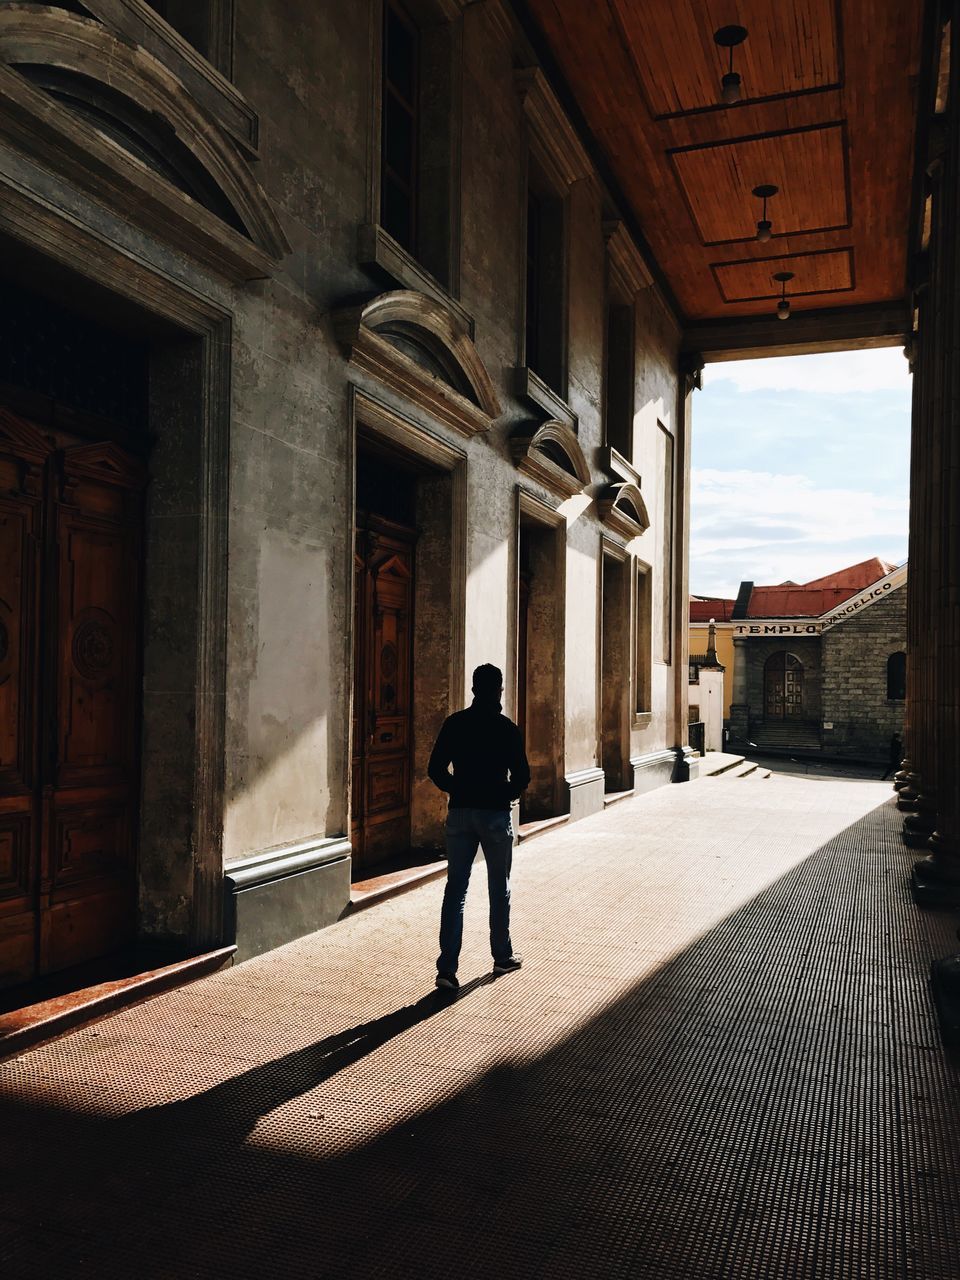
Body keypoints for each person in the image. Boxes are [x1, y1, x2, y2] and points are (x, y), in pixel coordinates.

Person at [427, 663, 530, 991]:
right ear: (499, 690)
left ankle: (447, 970)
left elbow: (435, 769)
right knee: (498, 888)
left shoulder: (455, 724)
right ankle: (502, 957)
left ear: (473, 689)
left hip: (460, 814)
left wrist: (457, 788)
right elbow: (522, 777)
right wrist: (503, 793)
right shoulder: (506, 729)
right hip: (495, 816)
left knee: (455, 890)